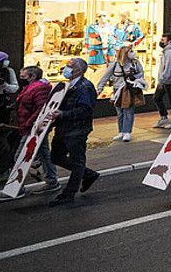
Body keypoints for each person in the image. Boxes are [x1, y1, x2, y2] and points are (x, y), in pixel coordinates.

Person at [46, 58, 100, 207]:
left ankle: (68, 194)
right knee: (56, 157)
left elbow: (86, 110)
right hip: (64, 129)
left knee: (77, 162)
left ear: (78, 71)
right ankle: (88, 174)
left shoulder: (85, 87)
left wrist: (62, 114)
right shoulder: (68, 86)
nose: (65, 69)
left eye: (69, 66)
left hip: (77, 131)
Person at [9, 65, 59, 196]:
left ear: (33, 77)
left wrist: (28, 123)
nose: (21, 79)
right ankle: (52, 181)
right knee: (43, 155)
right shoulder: (30, 87)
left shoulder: (40, 88)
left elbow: (40, 109)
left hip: (33, 128)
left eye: (23, 76)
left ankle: (17, 187)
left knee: (20, 156)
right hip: (30, 127)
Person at [97, 44, 145, 142]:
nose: (132, 53)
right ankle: (121, 131)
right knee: (120, 112)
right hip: (117, 90)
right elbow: (105, 76)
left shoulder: (135, 63)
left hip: (130, 89)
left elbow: (141, 73)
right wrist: (99, 89)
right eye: (130, 51)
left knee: (128, 111)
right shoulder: (115, 64)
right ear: (124, 54)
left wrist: (134, 77)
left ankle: (127, 132)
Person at [153, 34, 171, 128]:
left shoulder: (170, 52)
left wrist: (163, 80)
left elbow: (168, 68)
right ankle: (164, 117)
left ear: (169, 41)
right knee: (157, 98)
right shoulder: (167, 51)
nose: (161, 41)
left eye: (163, 40)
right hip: (166, 80)